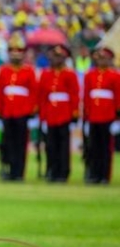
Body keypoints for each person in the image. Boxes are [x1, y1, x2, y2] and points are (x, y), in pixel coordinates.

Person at [0, 36, 37, 181]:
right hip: (7, 112)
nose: (15, 54)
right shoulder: (4, 71)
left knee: (20, 143)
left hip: (22, 112)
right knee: (7, 143)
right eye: (12, 51)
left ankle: (18, 172)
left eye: (18, 51)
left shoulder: (28, 71)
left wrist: (30, 110)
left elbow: (32, 93)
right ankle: (9, 169)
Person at [38, 44, 79, 183]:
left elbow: (74, 95)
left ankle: (63, 172)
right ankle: (51, 170)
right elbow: (42, 96)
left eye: (59, 56)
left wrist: (74, 114)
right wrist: (42, 116)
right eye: (54, 56)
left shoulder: (69, 74)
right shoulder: (46, 73)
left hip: (64, 113)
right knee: (50, 145)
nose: (56, 59)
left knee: (63, 145)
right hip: (50, 113)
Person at [82, 46, 120, 184]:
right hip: (93, 116)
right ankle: (93, 174)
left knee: (105, 148)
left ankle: (104, 175)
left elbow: (118, 98)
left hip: (108, 116)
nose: (101, 61)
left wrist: (117, 119)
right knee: (93, 148)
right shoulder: (90, 75)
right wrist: (85, 117)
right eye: (99, 58)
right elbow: (87, 97)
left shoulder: (115, 76)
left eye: (104, 58)